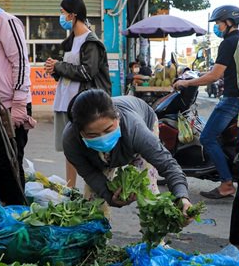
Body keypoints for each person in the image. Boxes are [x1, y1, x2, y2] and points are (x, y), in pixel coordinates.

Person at [63, 90, 192, 215]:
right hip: (100, 151)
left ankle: (154, 237)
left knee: (148, 191)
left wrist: (182, 197)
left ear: (117, 118)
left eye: (108, 130)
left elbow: (167, 164)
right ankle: (96, 235)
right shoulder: (71, 142)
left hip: (143, 121)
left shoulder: (135, 129)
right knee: (94, 201)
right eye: (93, 135)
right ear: (79, 133)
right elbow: (90, 174)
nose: (103, 138)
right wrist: (110, 197)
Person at [173, 5, 239, 199]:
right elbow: (221, 72)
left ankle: (227, 183)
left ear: (228, 22)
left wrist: (187, 82)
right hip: (237, 98)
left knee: (207, 138)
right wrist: (196, 75)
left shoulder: (229, 43)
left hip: (231, 100)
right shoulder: (238, 41)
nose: (217, 27)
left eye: (219, 23)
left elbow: (215, 75)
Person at [45, 0, 111, 188]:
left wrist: (59, 66)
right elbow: (69, 72)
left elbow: (86, 72)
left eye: (62, 12)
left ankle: (96, 189)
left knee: (89, 148)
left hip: (83, 104)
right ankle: (70, 188)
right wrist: (54, 69)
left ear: (72, 15)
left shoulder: (91, 42)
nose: (60, 16)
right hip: (66, 101)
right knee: (70, 148)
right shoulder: (72, 40)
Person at [0, 0, 36, 205]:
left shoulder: (5, 22)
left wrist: (19, 104)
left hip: (10, 106)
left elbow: (21, 62)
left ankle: (17, 219)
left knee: (8, 165)